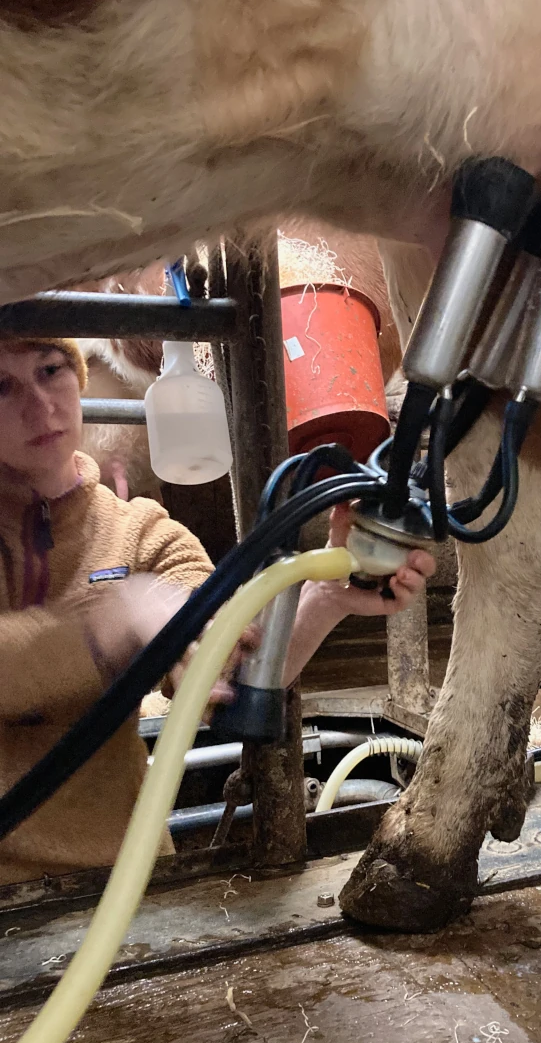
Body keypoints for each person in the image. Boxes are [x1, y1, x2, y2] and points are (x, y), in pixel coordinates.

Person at [0, 338, 436, 884]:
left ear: (79, 375)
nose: (40, 406)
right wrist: (112, 624)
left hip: (121, 877)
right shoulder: (132, 589)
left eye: (50, 370)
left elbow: (225, 674)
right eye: (2, 386)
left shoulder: (143, 534)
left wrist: (325, 595)